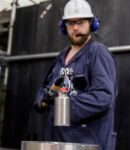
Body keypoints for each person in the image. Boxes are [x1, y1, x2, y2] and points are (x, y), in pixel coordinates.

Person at [34, 0, 118, 150]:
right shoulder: (60, 58)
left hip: (87, 143)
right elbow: (45, 86)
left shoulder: (98, 54)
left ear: (92, 24)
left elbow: (103, 97)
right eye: (70, 23)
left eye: (81, 22)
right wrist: (41, 99)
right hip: (58, 142)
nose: (76, 28)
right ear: (63, 27)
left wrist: (64, 105)